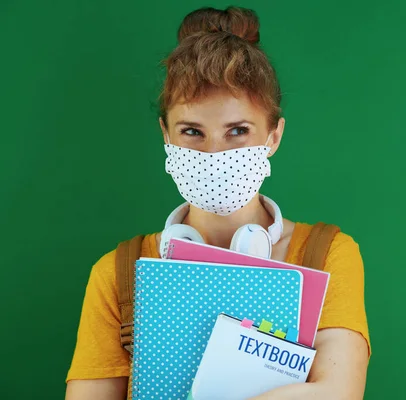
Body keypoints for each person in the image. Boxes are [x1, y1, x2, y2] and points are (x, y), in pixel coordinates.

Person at [65, 6, 370, 400]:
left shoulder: (327, 255)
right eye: (192, 131)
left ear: (273, 137)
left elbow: (338, 392)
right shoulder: (119, 273)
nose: (213, 153)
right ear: (166, 134)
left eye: (238, 131)